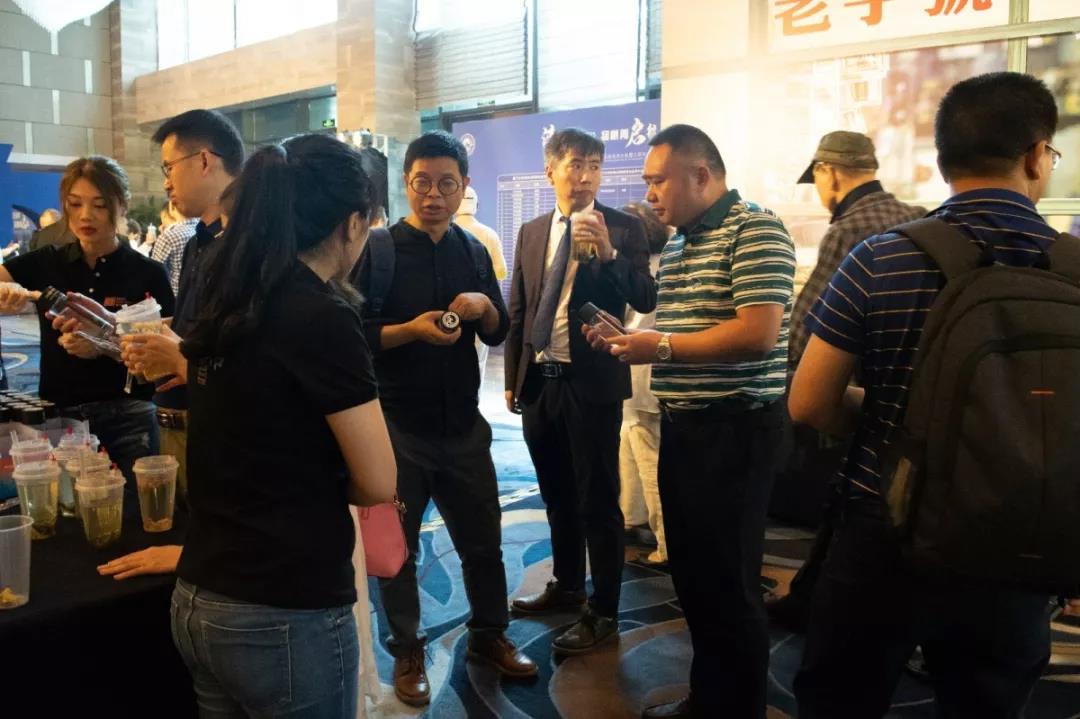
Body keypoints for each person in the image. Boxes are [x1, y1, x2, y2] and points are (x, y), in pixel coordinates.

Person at [788, 71, 1059, 719]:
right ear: (1034, 156)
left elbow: (810, 402)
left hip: (885, 522)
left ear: (943, 162)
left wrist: (892, 413)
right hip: (1018, 533)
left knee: (841, 699)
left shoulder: (880, 258)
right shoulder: (1073, 268)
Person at [149, 132, 395, 718]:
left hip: (201, 595)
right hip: (284, 612)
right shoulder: (321, 315)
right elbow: (378, 480)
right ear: (352, 224)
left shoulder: (228, 295)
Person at [588, 124, 795, 718]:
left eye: (659, 180)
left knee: (730, 584)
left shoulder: (754, 228)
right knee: (695, 577)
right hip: (685, 426)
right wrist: (631, 339)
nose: (649, 194)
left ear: (701, 175)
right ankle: (710, 697)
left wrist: (658, 347)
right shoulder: (681, 243)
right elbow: (685, 331)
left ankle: (738, 707)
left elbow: (757, 333)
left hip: (736, 429)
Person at [353, 130, 537, 708]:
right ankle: (407, 648)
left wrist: (484, 308)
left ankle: (490, 634)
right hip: (397, 428)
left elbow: (500, 330)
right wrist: (410, 331)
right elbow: (354, 336)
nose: (433, 195)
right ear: (406, 185)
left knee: (484, 541)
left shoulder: (474, 250)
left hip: (463, 425)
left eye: (446, 184)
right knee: (398, 550)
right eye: (422, 183)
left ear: (464, 188)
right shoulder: (377, 251)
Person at [767, 131, 926, 632]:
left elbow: (809, 323)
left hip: (855, 389)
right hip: (914, 393)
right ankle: (814, 595)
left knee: (851, 498)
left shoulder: (848, 229)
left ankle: (820, 607)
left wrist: (788, 376)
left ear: (829, 173)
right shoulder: (919, 218)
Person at [505, 128, 656, 655]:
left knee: (598, 500)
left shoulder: (624, 228)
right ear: (551, 170)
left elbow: (645, 296)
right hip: (540, 383)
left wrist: (610, 255)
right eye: (576, 164)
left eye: (594, 165)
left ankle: (605, 609)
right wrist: (514, 378)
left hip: (591, 384)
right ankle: (567, 584)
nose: (586, 176)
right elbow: (521, 306)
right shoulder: (531, 230)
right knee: (557, 495)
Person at [0, 156, 175, 503]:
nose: (85, 216)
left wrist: (102, 346)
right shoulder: (47, 262)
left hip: (129, 415)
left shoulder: (147, 273)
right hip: (64, 420)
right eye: (75, 204)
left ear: (122, 205)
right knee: (73, 513)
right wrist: (9, 295)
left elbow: (164, 359)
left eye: (99, 205)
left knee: (136, 508)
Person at [122, 109, 244, 501]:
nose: (166, 182)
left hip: (223, 426)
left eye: (169, 167)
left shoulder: (246, 247)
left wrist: (182, 358)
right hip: (180, 418)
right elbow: (196, 327)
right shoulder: (196, 243)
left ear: (204, 160)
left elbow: (247, 354)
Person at [618, 201, 671, 566]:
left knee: (649, 456)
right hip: (650, 373)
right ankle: (630, 516)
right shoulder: (666, 262)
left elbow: (629, 323)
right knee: (629, 442)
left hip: (641, 375)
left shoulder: (636, 272)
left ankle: (667, 544)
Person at [455, 186, 507, 387]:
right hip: (482, 310)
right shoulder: (489, 234)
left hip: (449, 311)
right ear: (476, 205)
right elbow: (501, 272)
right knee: (478, 361)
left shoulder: (445, 232)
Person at [151, 201, 198, 297]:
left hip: (176, 296)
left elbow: (154, 271)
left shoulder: (169, 236)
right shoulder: (202, 229)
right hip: (197, 295)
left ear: (172, 207)